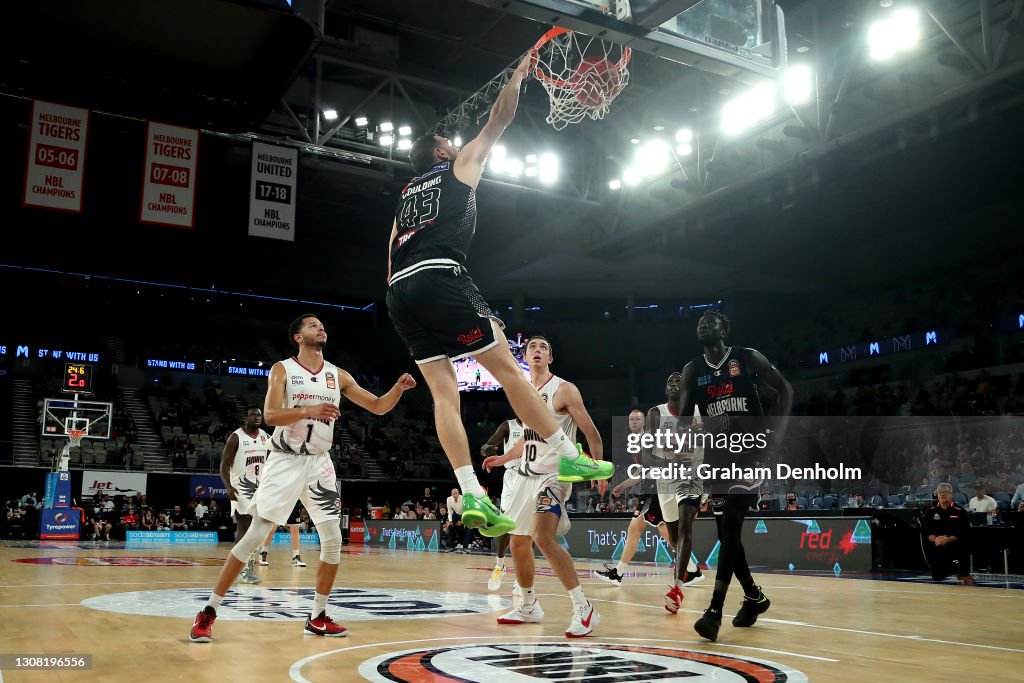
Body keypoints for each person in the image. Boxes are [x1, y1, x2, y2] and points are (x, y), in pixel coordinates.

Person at [385, 54, 612, 537]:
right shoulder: (459, 166)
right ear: (442, 154)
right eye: (448, 142)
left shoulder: (405, 198)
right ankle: (570, 457)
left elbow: (389, 259)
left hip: (398, 292)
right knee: (510, 372)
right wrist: (518, 74)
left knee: (445, 396)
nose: (454, 144)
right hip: (442, 276)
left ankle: (469, 492)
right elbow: (500, 118)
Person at [189, 313, 417, 643]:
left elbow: (379, 407)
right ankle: (208, 612)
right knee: (255, 537)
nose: (320, 328)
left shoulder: (337, 375)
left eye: (321, 325)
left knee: (333, 540)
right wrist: (308, 411)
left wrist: (397, 388)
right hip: (284, 461)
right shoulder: (283, 369)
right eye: (312, 325)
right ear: (298, 337)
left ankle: (318, 615)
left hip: (320, 464)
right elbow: (269, 415)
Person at [680, 310, 793, 642]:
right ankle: (754, 597)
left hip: (751, 449)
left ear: (724, 329)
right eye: (699, 322)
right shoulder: (692, 371)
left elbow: (785, 388)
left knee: (730, 524)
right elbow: (686, 419)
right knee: (725, 533)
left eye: (711, 321)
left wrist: (778, 436)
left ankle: (715, 610)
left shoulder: (747, 358)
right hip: (716, 457)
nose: (703, 324)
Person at [483, 336, 606, 638]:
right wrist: (504, 458)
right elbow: (529, 436)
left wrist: (599, 470)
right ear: (525, 356)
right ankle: (528, 605)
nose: (537, 351)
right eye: (532, 347)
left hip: (555, 475)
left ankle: (584, 608)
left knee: (542, 536)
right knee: (518, 542)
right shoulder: (524, 392)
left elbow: (592, 433)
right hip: (527, 473)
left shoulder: (563, 390)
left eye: (544, 348)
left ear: (550, 358)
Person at [598, 406, 704, 592]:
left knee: (636, 528)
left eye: (637, 420)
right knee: (665, 532)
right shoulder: (637, 441)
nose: (634, 423)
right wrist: (624, 485)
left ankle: (619, 573)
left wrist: (623, 485)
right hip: (653, 488)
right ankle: (692, 570)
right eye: (631, 420)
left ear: (645, 422)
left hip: (656, 488)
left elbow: (652, 467)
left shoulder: (651, 437)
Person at [220, 405, 269, 585]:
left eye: (259, 415)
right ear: (245, 417)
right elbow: (224, 466)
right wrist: (228, 488)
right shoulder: (236, 437)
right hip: (240, 489)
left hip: (260, 489)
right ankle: (243, 570)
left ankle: (243, 568)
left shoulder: (265, 437)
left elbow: (272, 462)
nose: (257, 418)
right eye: (253, 415)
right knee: (245, 527)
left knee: (256, 531)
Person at [480, 417, 525, 590]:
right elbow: (485, 447)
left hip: (534, 475)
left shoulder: (538, 423)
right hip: (513, 475)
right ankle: (500, 564)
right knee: (507, 523)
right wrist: (488, 450)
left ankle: (522, 576)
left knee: (528, 526)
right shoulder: (508, 425)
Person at [923, 483, 975, 584]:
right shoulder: (930, 511)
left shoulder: (960, 511)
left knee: (966, 543)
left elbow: (963, 531)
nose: (942, 495)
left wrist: (948, 539)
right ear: (936, 495)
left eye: (945, 492)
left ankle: (963, 572)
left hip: (955, 542)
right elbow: (926, 531)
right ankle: (949, 570)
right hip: (937, 544)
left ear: (951, 495)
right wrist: (936, 539)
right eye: (940, 493)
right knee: (937, 578)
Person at [445, 488, 470, 552]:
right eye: (453, 494)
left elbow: (467, 510)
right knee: (449, 526)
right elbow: (449, 511)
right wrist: (450, 521)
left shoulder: (463, 498)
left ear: (458, 494)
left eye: (456, 493)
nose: (455, 495)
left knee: (466, 527)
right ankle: (451, 546)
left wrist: (463, 521)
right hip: (455, 514)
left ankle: (465, 547)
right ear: (451, 494)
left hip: (464, 514)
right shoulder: (449, 499)